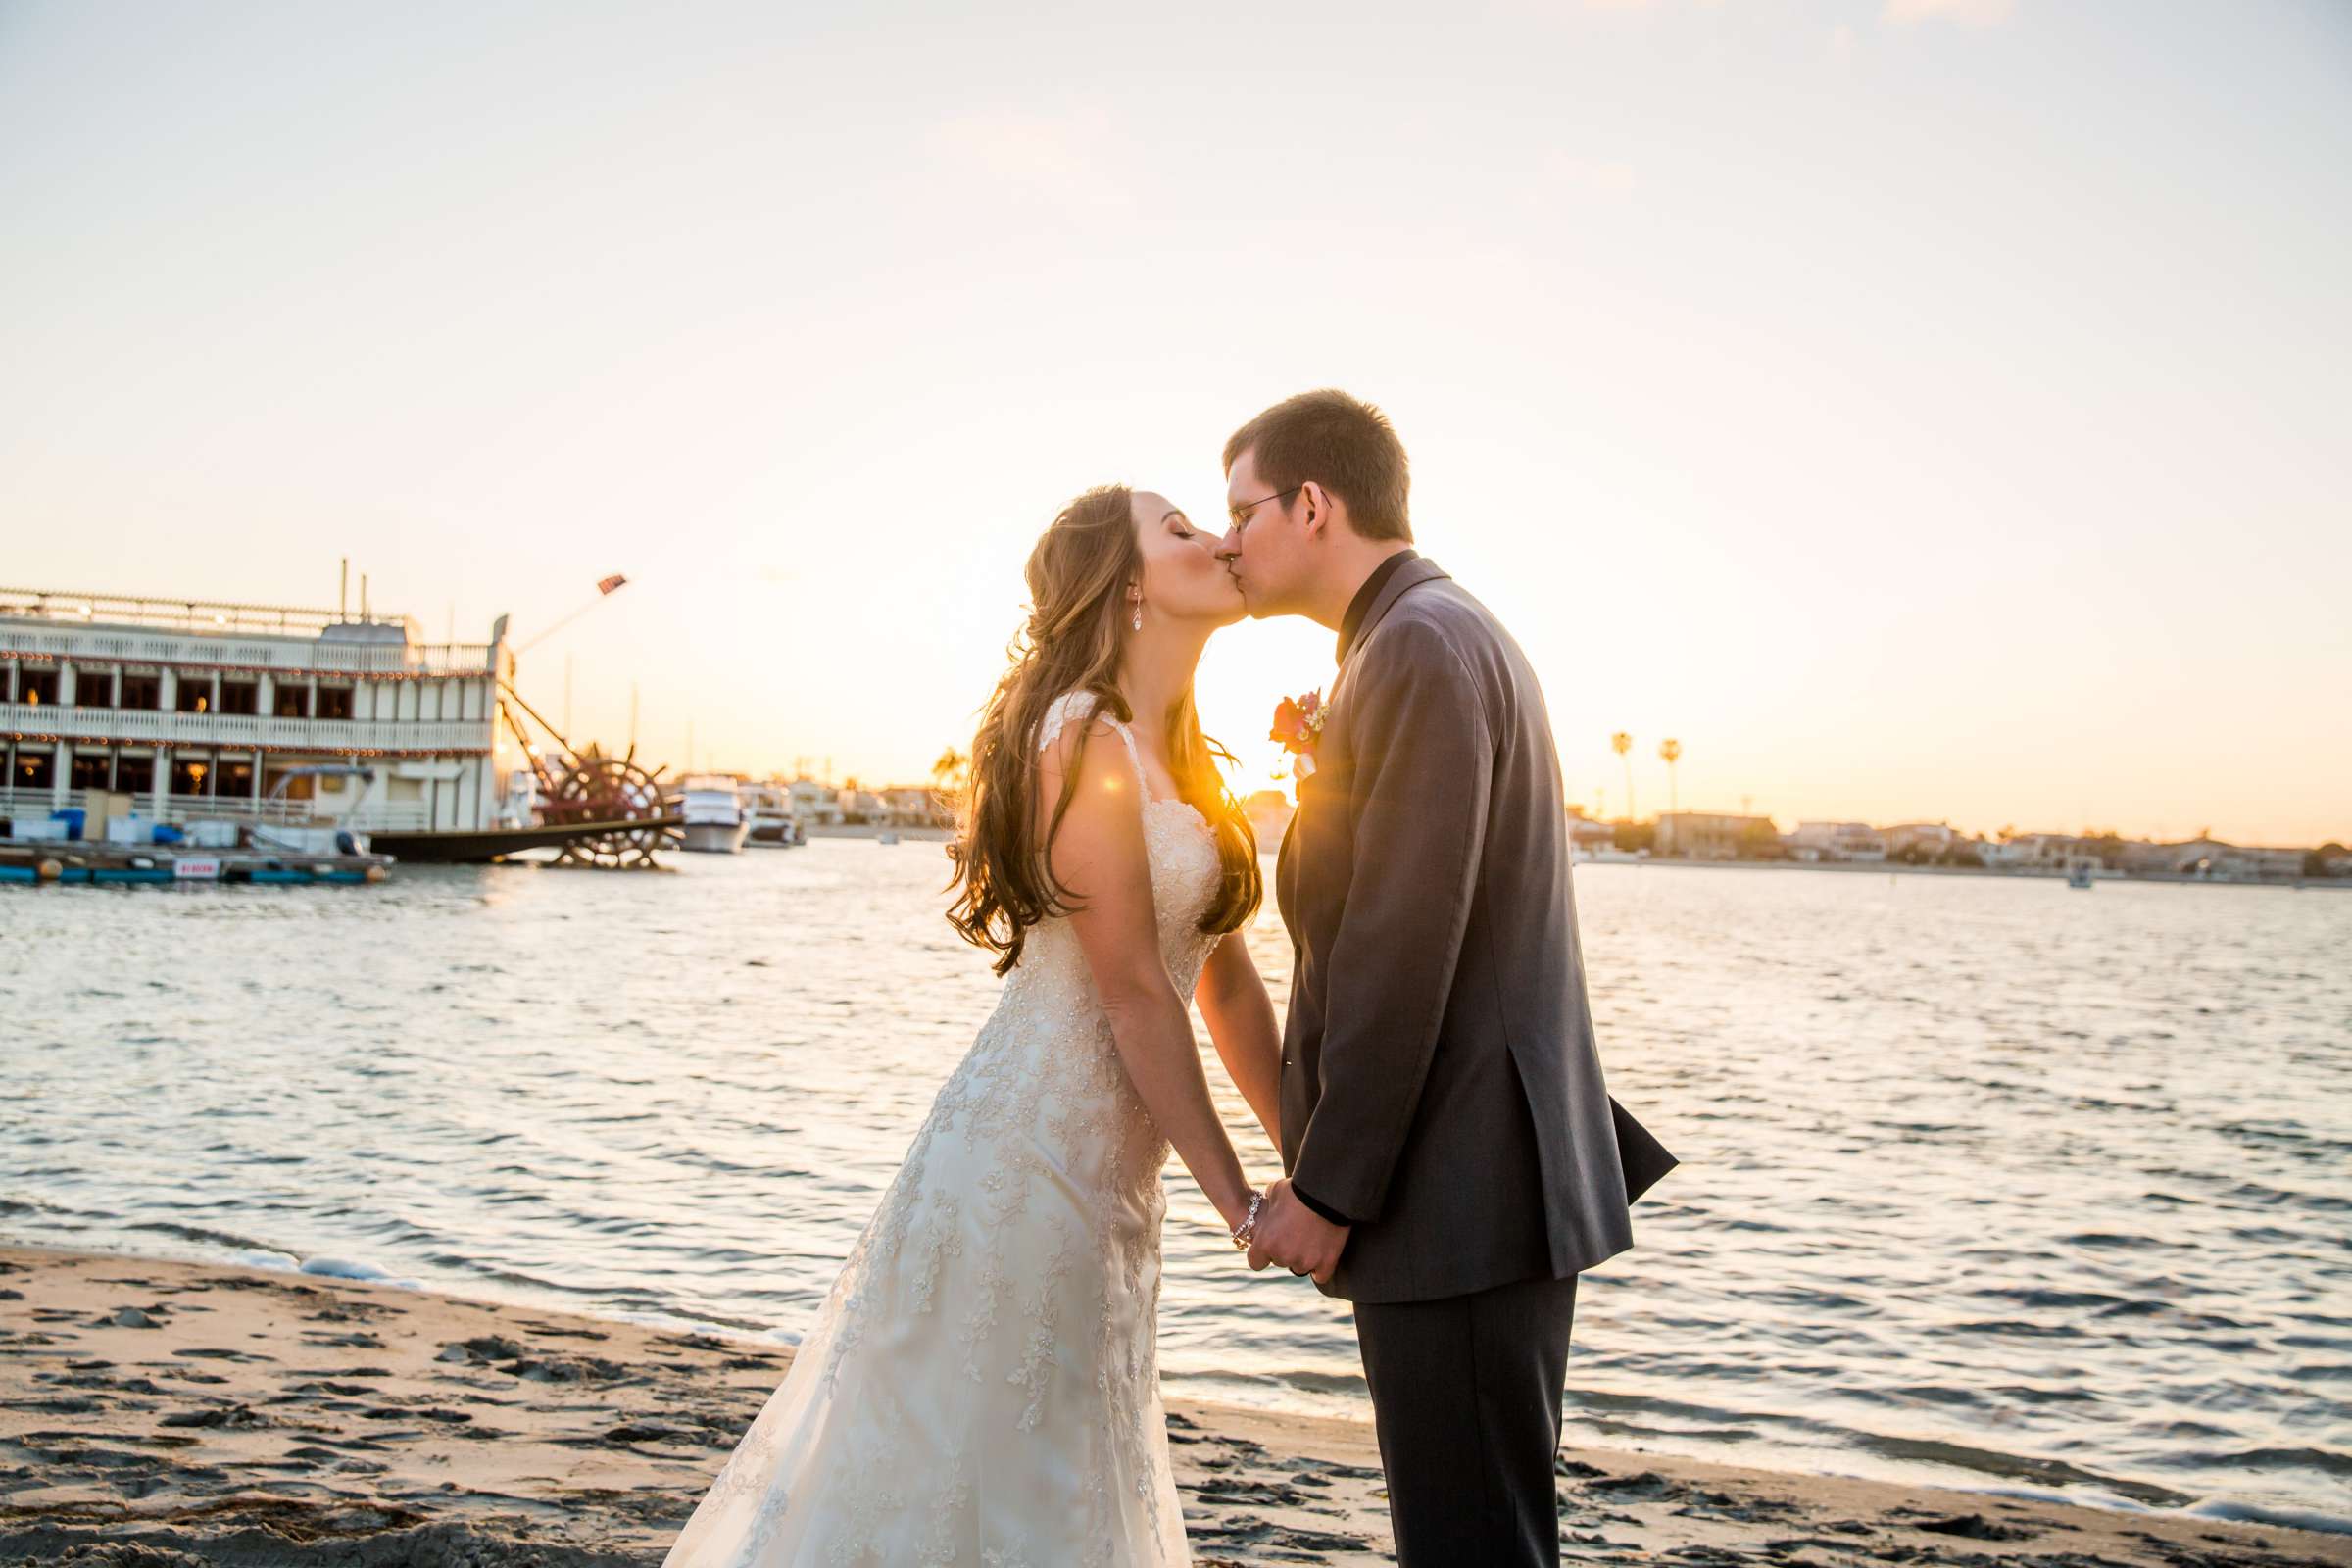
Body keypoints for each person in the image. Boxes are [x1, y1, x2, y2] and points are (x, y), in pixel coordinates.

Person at [661, 483, 1286, 1566]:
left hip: (1114, 1183)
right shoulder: (1078, 735)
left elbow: (1223, 984)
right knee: (992, 1481)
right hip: (1025, 1163)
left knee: (1072, 1465)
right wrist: (1241, 1205)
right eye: (1179, 528)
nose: (1216, 538)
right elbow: (1136, 988)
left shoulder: (1183, 751)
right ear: (1127, 583)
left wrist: (1311, 1168)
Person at [1216, 389, 1679, 1567]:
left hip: (1461, 1183)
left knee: (1472, 1539)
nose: (1228, 540)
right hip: (1469, 1176)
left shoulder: (1418, 645)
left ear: (1313, 505)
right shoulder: (1419, 635)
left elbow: (1399, 950)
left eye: (1243, 509)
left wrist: (1329, 1192)